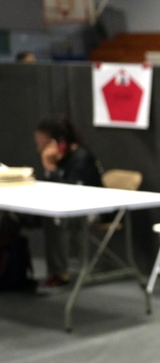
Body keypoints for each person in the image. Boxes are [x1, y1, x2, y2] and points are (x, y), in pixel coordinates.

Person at [34, 115, 104, 287]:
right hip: (64, 207)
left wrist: (51, 169)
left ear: (59, 142)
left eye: (43, 144)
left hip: (92, 210)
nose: (40, 149)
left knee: (53, 219)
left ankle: (59, 273)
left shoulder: (82, 158)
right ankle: (10, 269)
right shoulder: (60, 158)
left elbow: (70, 193)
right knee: (12, 217)